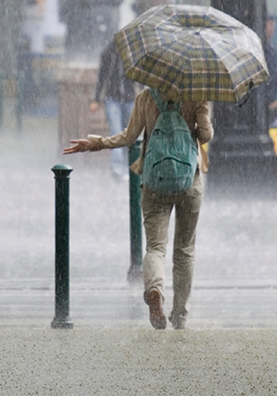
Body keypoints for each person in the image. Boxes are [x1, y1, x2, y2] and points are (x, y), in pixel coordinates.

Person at [64, 88, 212, 330]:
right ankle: (180, 315)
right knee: (185, 250)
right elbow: (205, 135)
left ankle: (155, 290)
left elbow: (129, 137)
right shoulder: (196, 93)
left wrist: (96, 143)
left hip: (155, 181)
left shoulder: (147, 96)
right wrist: (198, 120)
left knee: (155, 247)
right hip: (189, 182)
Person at [90, 42, 138, 180]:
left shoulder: (132, 56)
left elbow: (139, 77)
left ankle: (129, 167)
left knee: (129, 134)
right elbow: (102, 77)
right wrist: (96, 99)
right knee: (116, 132)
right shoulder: (108, 54)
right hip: (113, 99)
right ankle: (117, 167)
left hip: (129, 99)